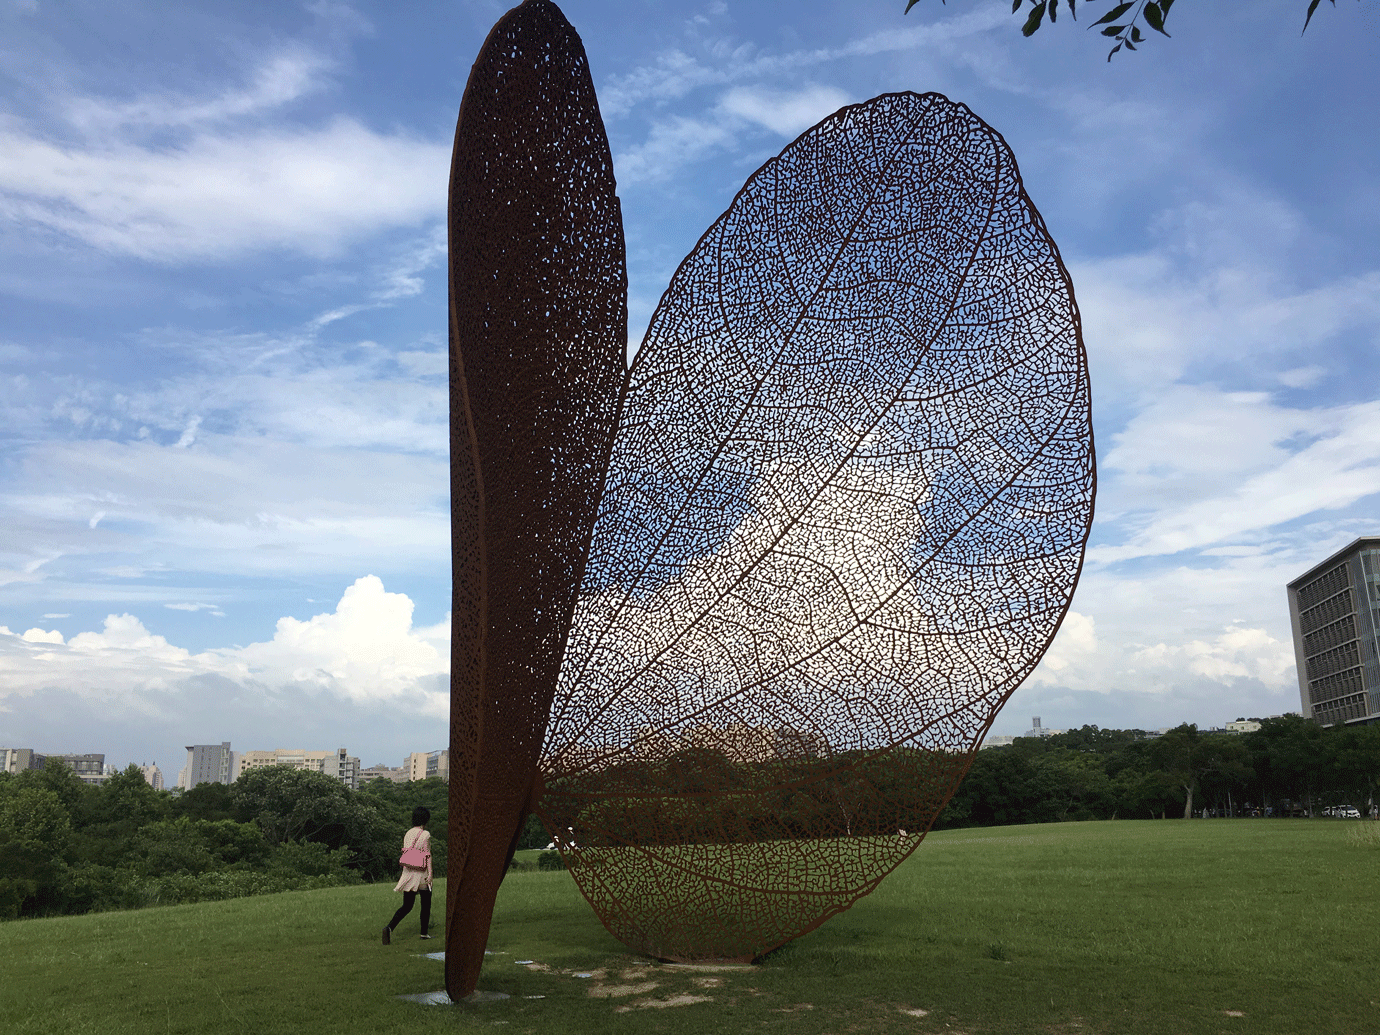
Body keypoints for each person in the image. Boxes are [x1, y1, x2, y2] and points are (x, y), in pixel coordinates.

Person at [382, 806, 433, 944]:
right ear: (425, 820)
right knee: (425, 904)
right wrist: (430, 873)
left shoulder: (408, 833)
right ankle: (424, 933)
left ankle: (389, 927)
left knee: (407, 905)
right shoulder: (425, 834)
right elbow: (427, 855)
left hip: (409, 872)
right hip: (421, 872)